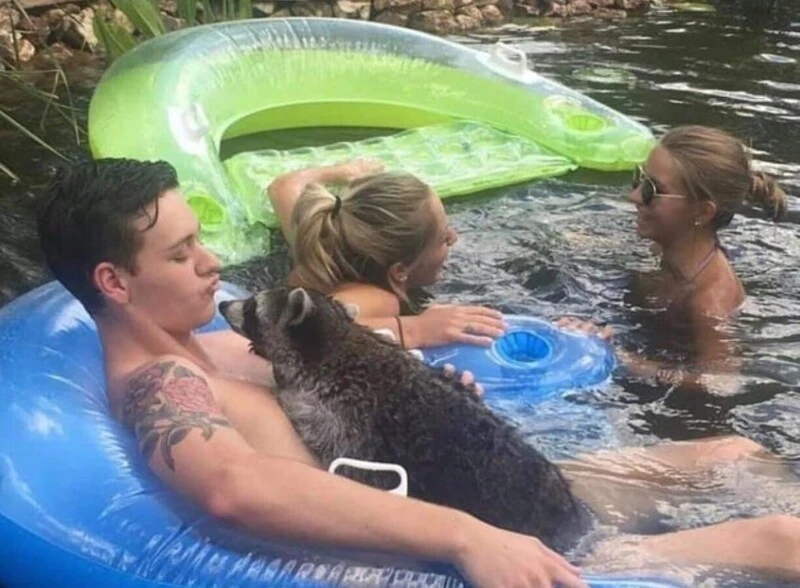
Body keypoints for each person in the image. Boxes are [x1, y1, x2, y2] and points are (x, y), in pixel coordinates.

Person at [36, 159, 800, 587]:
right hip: (482, 531)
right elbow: (235, 488)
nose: (211, 263)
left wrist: (428, 399)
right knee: (782, 540)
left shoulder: (208, 346)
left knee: (731, 452)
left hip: (489, 488)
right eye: (181, 254)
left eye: (199, 240)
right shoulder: (161, 386)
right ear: (113, 282)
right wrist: (467, 538)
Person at [560, 125, 789, 392]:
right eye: (639, 179)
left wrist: (619, 357)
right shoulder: (667, 248)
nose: (633, 196)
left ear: (702, 212)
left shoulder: (708, 302)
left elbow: (723, 382)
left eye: (651, 190)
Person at [267, 160, 507, 349]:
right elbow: (305, 334)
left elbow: (284, 187)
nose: (454, 238)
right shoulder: (380, 299)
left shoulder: (322, 240)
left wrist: (344, 171)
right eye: (443, 238)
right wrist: (417, 329)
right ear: (399, 271)